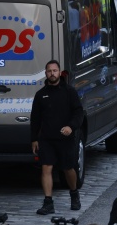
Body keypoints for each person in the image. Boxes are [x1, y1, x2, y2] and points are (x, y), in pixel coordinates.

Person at [30, 59, 84, 215]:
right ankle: (48, 202)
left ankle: (74, 194)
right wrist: (34, 139)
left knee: (68, 168)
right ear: (45, 74)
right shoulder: (40, 95)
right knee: (46, 167)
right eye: (49, 71)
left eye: (54, 71)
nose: (52, 73)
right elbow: (35, 118)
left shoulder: (69, 92)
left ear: (60, 73)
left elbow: (79, 112)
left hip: (65, 138)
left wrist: (71, 127)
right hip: (46, 139)